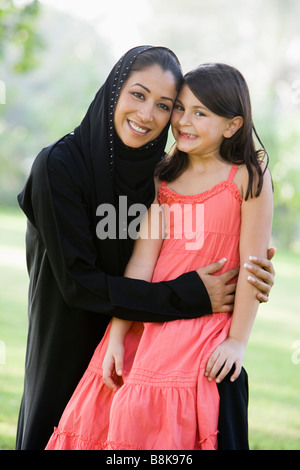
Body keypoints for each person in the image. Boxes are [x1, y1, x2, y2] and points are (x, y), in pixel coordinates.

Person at [17, 46, 275, 450]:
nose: (151, 115)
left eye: (164, 105)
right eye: (138, 95)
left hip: (182, 338)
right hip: (76, 338)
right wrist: (180, 301)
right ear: (114, 91)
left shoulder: (178, 171)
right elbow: (92, 277)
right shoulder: (63, 166)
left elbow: (237, 254)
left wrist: (250, 283)